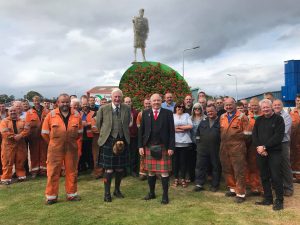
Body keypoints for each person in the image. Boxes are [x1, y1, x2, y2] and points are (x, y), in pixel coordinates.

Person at [41, 93, 82, 205]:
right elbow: (44, 133)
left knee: (72, 171)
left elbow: (79, 133)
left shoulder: (76, 115)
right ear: (58, 103)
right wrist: (54, 143)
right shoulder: (51, 115)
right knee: (53, 172)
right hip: (55, 148)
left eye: (67, 102)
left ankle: (72, 194)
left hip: (71, 148)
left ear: (70, 102)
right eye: (62, 102)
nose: (65, 104)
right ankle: (51, 197)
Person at [138, 93, 175, 204]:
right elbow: (141, 131)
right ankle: (151, 193)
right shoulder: (145, 113)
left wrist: (171, 147)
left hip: (163, 146)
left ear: (161, 101)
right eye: (154, 101)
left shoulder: (168, 113)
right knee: (151, 172)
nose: (156, 103)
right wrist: (140, 146)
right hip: (149, 146)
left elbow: (172, 132)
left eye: (158, 100)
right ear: (150, 102)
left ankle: (165, 195)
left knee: (164, 172)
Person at [96, 88, 131, 202]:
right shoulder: (103, 108)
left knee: (120, 169)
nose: (117, 99)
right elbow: (99, 124)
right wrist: (106, 134)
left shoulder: (126, 108)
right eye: (115, 97)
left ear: (121, 97)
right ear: (111, 97)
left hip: (122, 140)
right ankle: (107, 193)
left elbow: (129, 122)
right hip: (108, 140)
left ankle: (117, 190)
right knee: (109, 169)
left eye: (119, 97)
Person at [253, 99, 285, 211]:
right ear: (261, 109)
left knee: (276, 176)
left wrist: (265, 147)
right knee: (264, 176)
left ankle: (279, 200)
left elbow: (278, 136)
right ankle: (268, 198)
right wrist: (260, 148)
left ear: (271, 107)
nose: (265, 109)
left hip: (274, 152)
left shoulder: (278, 119)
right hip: (261, 152)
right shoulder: (259, 120)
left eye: (267, 107)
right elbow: (254, 135)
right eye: (263, 107)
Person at [220, 97, 248, 203]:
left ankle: (240, 193)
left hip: (237, 147)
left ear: (234, 104)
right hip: (224, 147)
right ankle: (232, 189)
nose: (228, 107)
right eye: (226, 105)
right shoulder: (222, 117)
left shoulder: (242, 117)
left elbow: (248, 134)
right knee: (227, 168)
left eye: (230, 104)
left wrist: (240, 143)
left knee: (239, 170)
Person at [194, 104, 221, 192]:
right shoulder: (203, 121)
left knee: (215, 166)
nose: (210, 113)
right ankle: (199, 184)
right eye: (208, 111)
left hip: (215, 148)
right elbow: (197, 133)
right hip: (202, 148)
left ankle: (215, 185)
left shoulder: (220, 121)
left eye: (212, 111)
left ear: (216, 111)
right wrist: (198, 144)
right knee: (200, 166)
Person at [0, 106, 30, 184]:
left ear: (17, 112)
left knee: (20, 161)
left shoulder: (23, 121)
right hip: (8, 145)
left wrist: (20, 136)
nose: (13, 112)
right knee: (7, 162)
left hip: (20, 145)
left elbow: (27, 130)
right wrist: (14, 137)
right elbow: (4, 132)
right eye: (11, 111)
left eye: (14, 111)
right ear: (8, 112)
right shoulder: (4, 121)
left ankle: (21, 176)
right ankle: (6, 179)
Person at [272, 99, 294, 196]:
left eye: (278, 105)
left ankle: (288, 187)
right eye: (275, 105)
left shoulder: (286, 117)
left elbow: (282, 132)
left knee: (285, 165)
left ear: (282, 105)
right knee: (274, 165)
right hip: (272, 143)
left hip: (283, 143)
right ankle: (277, 185)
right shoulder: (271, 116)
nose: (276, 106)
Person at [25, 96, 49, 177]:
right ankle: (34, 171)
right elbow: (27, 125)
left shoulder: (46, 111)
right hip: (33, 136)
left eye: (38, 100)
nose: (36, 102)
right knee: (34, 153)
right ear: (33, 101)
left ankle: (43, 170)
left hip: (44, 136)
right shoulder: (29, 112)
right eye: (35, 101)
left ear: (40, 101)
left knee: (44, 153)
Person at [245, 97, 263, 196]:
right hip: (251, 146)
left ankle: (263, 188)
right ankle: (254, 187)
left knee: (263, 168)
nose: (254, 107)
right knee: (252, 167)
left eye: (256, 105)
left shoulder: (264, 116)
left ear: (259, 105)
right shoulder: (248, 117)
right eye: (252, 106)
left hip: (262, 146)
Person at [172, 102, 193, 188]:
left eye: (181, 106)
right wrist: (182, 128)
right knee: (175, 161)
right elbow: (170, 127)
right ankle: (176, 178)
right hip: (174, 142)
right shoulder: (172, 115)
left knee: (183, 161)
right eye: (178, 107)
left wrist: (178, 128)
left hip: (184, 142)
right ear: (175, 108)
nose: (180, 108)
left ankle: (183, 178)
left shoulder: (187, 115)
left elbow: (190, 126)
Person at [189, 103, 206, 183]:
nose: (197, 110)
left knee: (200, 162)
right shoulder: (190, 118)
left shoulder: (205, 118)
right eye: (195, 108)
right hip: (191, 142)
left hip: (202, 143)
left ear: (201, 109)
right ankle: (192, 177)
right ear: (193, 110)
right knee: (192, 161)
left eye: (198, 108)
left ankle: (200, 178)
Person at [124, 97, 139, 177]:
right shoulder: (121, 112)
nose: (128, 103)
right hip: (124, 137)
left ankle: (133, 170)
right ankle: (125, 171)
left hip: (133, 136)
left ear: (131, 102)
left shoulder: (136, 112)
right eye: (126, 102)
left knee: (133, 154)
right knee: (124, 154)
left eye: (129, 102)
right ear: (124, 103)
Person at [136, 98, 151, 180]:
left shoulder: (154, 113)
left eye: (149, 103)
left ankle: (152, 173)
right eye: (146, 103)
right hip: (143, 137)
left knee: (152, 155)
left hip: (152, 138)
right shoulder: (140, 114)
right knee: (143, 155)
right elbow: (139, 126)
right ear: (143, 104)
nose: (148, 105)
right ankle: (143, 173)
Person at [78, 98, 94, 172]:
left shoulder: (93, 113)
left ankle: (91, 167)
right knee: (81, 153)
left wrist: (88, 123)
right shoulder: (78, 113)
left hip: (90, 136)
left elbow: (96, 121)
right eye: (83, 104)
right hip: (81, 136)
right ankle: (83, 167)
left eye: (86, 104)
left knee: (90, 153)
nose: (85, 106)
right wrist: (81, 124)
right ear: (81, 105)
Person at [290, 94, 300, 183]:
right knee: (295, 156)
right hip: (294, 139)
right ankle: (296, 176)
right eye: (297, 100)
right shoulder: (291, 113)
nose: (299, 102)